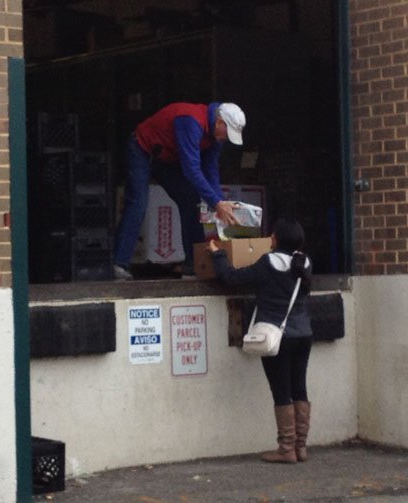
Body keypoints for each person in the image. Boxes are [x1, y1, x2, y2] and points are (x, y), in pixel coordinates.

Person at [208, 218, 313, 463]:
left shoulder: (269, 262)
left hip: (276, 336)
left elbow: (232, 278)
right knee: (300, 387)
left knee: (281, 391)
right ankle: (301, 447)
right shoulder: (305, 262)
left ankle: (286, 449)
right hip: (303, 334)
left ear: (275, 239)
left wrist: (217, 254)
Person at [114, 102, 246, 280]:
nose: (227, 139)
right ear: (220, 122)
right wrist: (216, 203)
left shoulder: (215, 137)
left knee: (191, 201)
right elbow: (191, 170)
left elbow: (210, 170)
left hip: (165, 156)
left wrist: (220, 201)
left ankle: (195, 265)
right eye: (228, 133)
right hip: (142, 148)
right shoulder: (190, 121)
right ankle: (119, 263)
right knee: (138, 202)